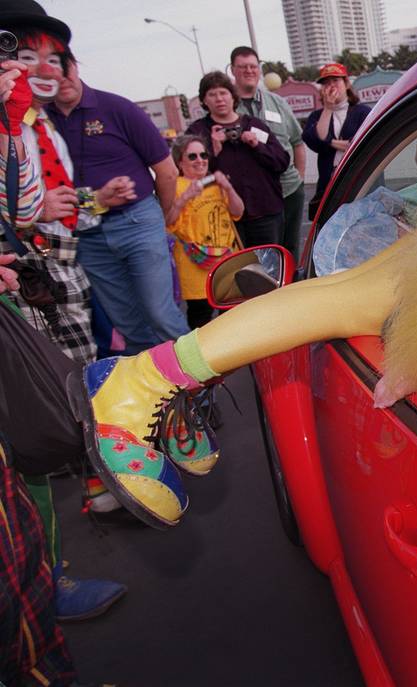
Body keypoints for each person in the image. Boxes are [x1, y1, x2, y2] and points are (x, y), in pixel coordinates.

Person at [68, 67, 417, 529]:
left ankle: (154, 378)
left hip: (408, 222)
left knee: (342, 297)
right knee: (348, 301)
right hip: (411, 228)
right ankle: (145, 380)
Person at [4, 12, 129, 623]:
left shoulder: (34, 123)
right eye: (29, 54)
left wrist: (84, 202)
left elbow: (41, 203)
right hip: (32, 275)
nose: (42, 67)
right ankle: (39, 580)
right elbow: (24, 207)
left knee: (71, 387)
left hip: (57, 264)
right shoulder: (17, 124)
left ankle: (97, 493)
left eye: (51, 55)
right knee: (43, 406)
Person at [0, 49, 77, 685]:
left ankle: (48, 588)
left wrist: (12, 127)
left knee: (31, 454)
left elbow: (23, 212)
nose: (22, 67)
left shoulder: (14, 126)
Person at [47, 41, 187, 355]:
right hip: (87, 235)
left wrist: (161, 219)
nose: (61, 75)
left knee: (160, 314)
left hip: (138, 221)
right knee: (127, 325)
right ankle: (157, 395)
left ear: (76, 65)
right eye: (51, 68)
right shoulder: (40, 123)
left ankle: (203, 389)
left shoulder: (118, 108)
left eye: (64, 65)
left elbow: (167, 172)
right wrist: (94, 200)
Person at [186, 71, 289, 248]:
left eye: (223, 93)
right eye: (212, 94)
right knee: (236, 271)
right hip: (222, 218)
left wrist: (257, 146)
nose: (219, 99)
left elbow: (282, 162)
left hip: (264, 212)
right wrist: (212, 151)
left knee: (271, 270)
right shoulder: (198, 132)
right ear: (204, 100)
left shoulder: (254, 125)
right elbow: (187, 175)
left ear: (233, 96)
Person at [229, 46, 305, 258]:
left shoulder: (277, 103)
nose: (249, 71)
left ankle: (293, 290)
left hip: (289, 189)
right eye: (242, 67)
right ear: (232, 70)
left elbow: (298, 142)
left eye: (253, 66)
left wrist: (299, 176)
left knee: (290, 252)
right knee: (262, 258)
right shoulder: (228, 109)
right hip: (255, 199)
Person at [166, 135, 244, 328]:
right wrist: (185, 198)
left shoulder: (217, 183)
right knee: (200, 316)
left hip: (226, 259)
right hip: (195, 264)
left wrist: (228, 187)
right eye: (192, 156)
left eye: (203, 155)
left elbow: (238, 212)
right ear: (180, 162)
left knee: (232, 314)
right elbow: (168, 222)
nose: (200, 160)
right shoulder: (175, 186)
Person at [301, 63, 370, 220]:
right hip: (329, 183)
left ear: (345, 84)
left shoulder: (362, 112)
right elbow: (316, 139)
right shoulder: (317, 116)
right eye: (326, 83)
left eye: (335, 81)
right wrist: (328, 108)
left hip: (358, 180)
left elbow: (361, 143)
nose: (331, 86)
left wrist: (329, 142)